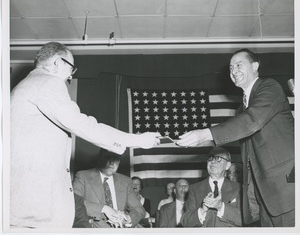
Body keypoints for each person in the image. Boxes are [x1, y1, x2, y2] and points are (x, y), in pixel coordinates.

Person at [10, 41, 161, 228]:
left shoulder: (24, 86)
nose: (71, 77)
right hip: (35, 208)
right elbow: (84, 125)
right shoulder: (48, 82)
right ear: (57, 63)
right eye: (71, 69)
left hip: (22, 205)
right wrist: (138, 140)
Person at [177, 49, 295, 227]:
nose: (233, 71)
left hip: (288, 191)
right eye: (231, 68)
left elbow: (252, 121)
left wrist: (205, 134)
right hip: (265, 201)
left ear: (255, 66)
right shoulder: (241, 109)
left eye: (239, 65)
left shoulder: (270, 87)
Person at [72, 149, 145, 228]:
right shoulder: (82, 176)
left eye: (115, 159)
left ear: (119, 161)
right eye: (107, 158)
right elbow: (74, 204)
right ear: (100, 158)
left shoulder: (126, 181)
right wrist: (104, 208)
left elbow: (139, 209)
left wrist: (126, 218)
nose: (111, 163)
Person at [181, 147, 242, 227]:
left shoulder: (239, 188)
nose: (212, 161)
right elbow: (185, 222)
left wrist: (221, 207)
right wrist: (202, 210)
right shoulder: (194, 189)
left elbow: (245, 220)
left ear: (227, 165)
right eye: (210, 158)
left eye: (218, 158)